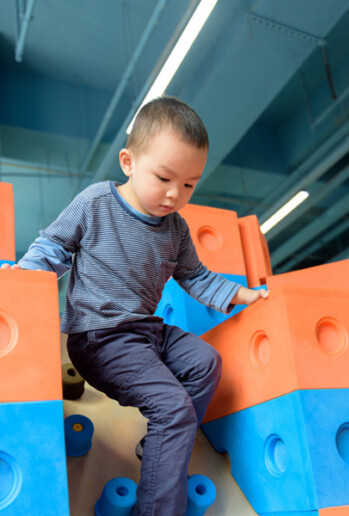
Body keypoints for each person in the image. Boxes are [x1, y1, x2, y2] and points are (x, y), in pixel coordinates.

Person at [2, 96, 268, 515]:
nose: (174, 194)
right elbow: (53, 245)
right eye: (164, 177)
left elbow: (196, 276)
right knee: (173, 406)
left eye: (189, 184)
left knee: (206, 364)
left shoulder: (176, 229)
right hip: (100, 338)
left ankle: (160, 446)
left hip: (147, 330)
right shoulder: (96, 204)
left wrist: (244, 294)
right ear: (128, 161)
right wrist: (21, 277)